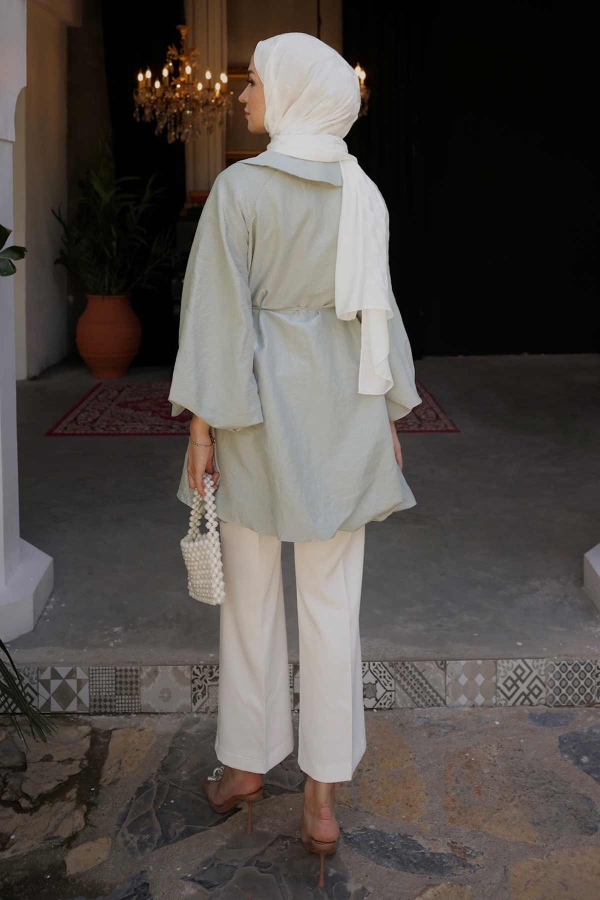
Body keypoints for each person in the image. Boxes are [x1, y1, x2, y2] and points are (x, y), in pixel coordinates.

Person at [168, 32, 422, 886]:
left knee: (249, 600)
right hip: (343, 410)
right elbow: (380, 310)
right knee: (332, 603)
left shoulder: (240, 188)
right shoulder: (361, 190)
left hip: (256, 413)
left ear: (290, 94)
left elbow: (215, 316)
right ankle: (321, 799)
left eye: (255, 83)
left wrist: (201, 431)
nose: (243, 96)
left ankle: (246, 767)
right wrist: (389, 412)